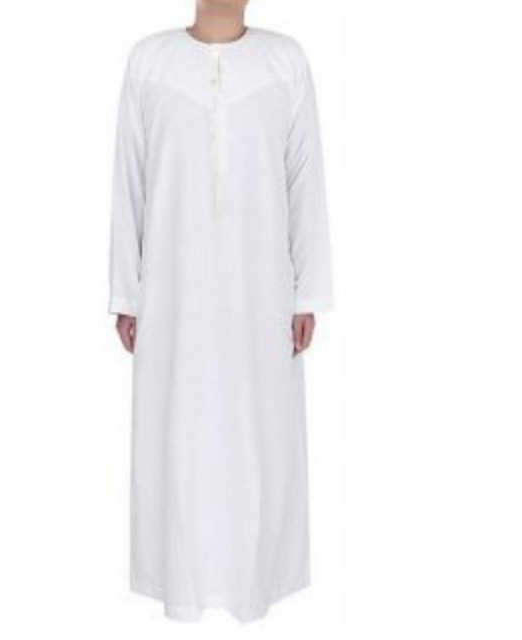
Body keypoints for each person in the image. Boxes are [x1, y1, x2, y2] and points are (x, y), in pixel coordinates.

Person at [108, 0, 334, 623]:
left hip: (261, 294)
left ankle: (254, 582)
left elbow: (305, 180)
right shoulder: (150, 63)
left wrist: (307, 292)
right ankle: (181, 583)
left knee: (259, 435)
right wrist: (126, 293)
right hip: (171, 295)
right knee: (178, 434)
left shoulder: (284, 63)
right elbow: (129, 184)